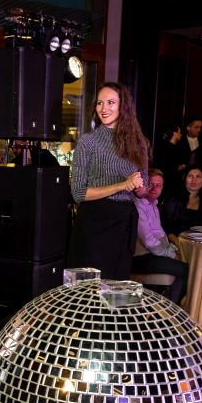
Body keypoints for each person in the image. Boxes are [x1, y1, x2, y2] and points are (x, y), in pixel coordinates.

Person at [66, 82, 148, 280]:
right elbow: (78, 193)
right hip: (94, 223)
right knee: (88, 291)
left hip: (123, 223)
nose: (104, 108)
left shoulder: (139, 143)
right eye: (100, 103)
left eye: (110, 102)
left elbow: (143, 188)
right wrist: (123, 185)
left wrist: (138, 187)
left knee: (116, 289)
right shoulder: (88, 142)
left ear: (123, 106)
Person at [131, 169, 189, 303]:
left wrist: (172, 250)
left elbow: (160, 235)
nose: (154, 188)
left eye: (158, 185)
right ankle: (173, 308)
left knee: (188, 263)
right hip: (139, 257)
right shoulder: (138, 205)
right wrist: (171, 254)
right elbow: (149, 242)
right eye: (151, 184)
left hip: (152, 254)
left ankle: (169, 303)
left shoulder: (154, 206)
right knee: (186, 270)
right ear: (143, 185)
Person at [161, 166, 202, 235]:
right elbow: (165, 227)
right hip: (173, 239)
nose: (194, 180)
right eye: (190, 176)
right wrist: (177, 241)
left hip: (198, 239)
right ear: (184, 178)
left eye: (198, 177)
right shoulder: (173, 199)